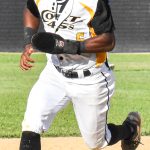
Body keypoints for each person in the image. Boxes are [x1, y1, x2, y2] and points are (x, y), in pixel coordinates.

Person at [19, 0, 141, 150]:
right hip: (54, 73)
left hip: (90, 78)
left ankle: (130, 129)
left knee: (96, 142)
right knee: (31, 124)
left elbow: (108, 41)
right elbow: (31, 10)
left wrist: (70, 46)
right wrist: (28, 41)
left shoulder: (93, 2)